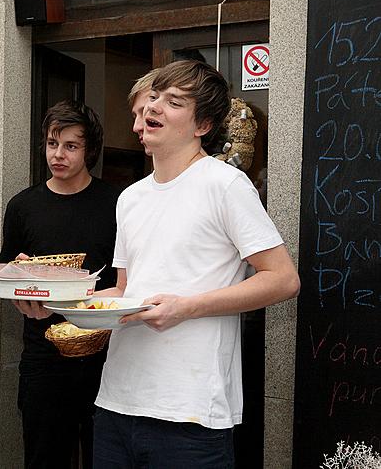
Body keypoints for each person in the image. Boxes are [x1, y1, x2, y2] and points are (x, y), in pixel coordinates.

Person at [92, 60, 300, 468]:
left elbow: (284, 280)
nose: (153, 108)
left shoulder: (225, 184)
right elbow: (123, 291)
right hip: (116, 403)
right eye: (153, 98)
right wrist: (55, 299)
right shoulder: (130, 198)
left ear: (202, 124)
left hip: (190, 415)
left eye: (172, 102)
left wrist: (185, 307)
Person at [0, 100, 120, 468]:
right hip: (43, 357)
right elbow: (6, 270)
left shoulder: (117, 204)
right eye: (52, 144)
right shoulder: (22, 206)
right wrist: (16, 280)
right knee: (43, 457)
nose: (58, 154)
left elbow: (130, 279)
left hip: (108, 357)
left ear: (90, 150)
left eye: (70, 146)